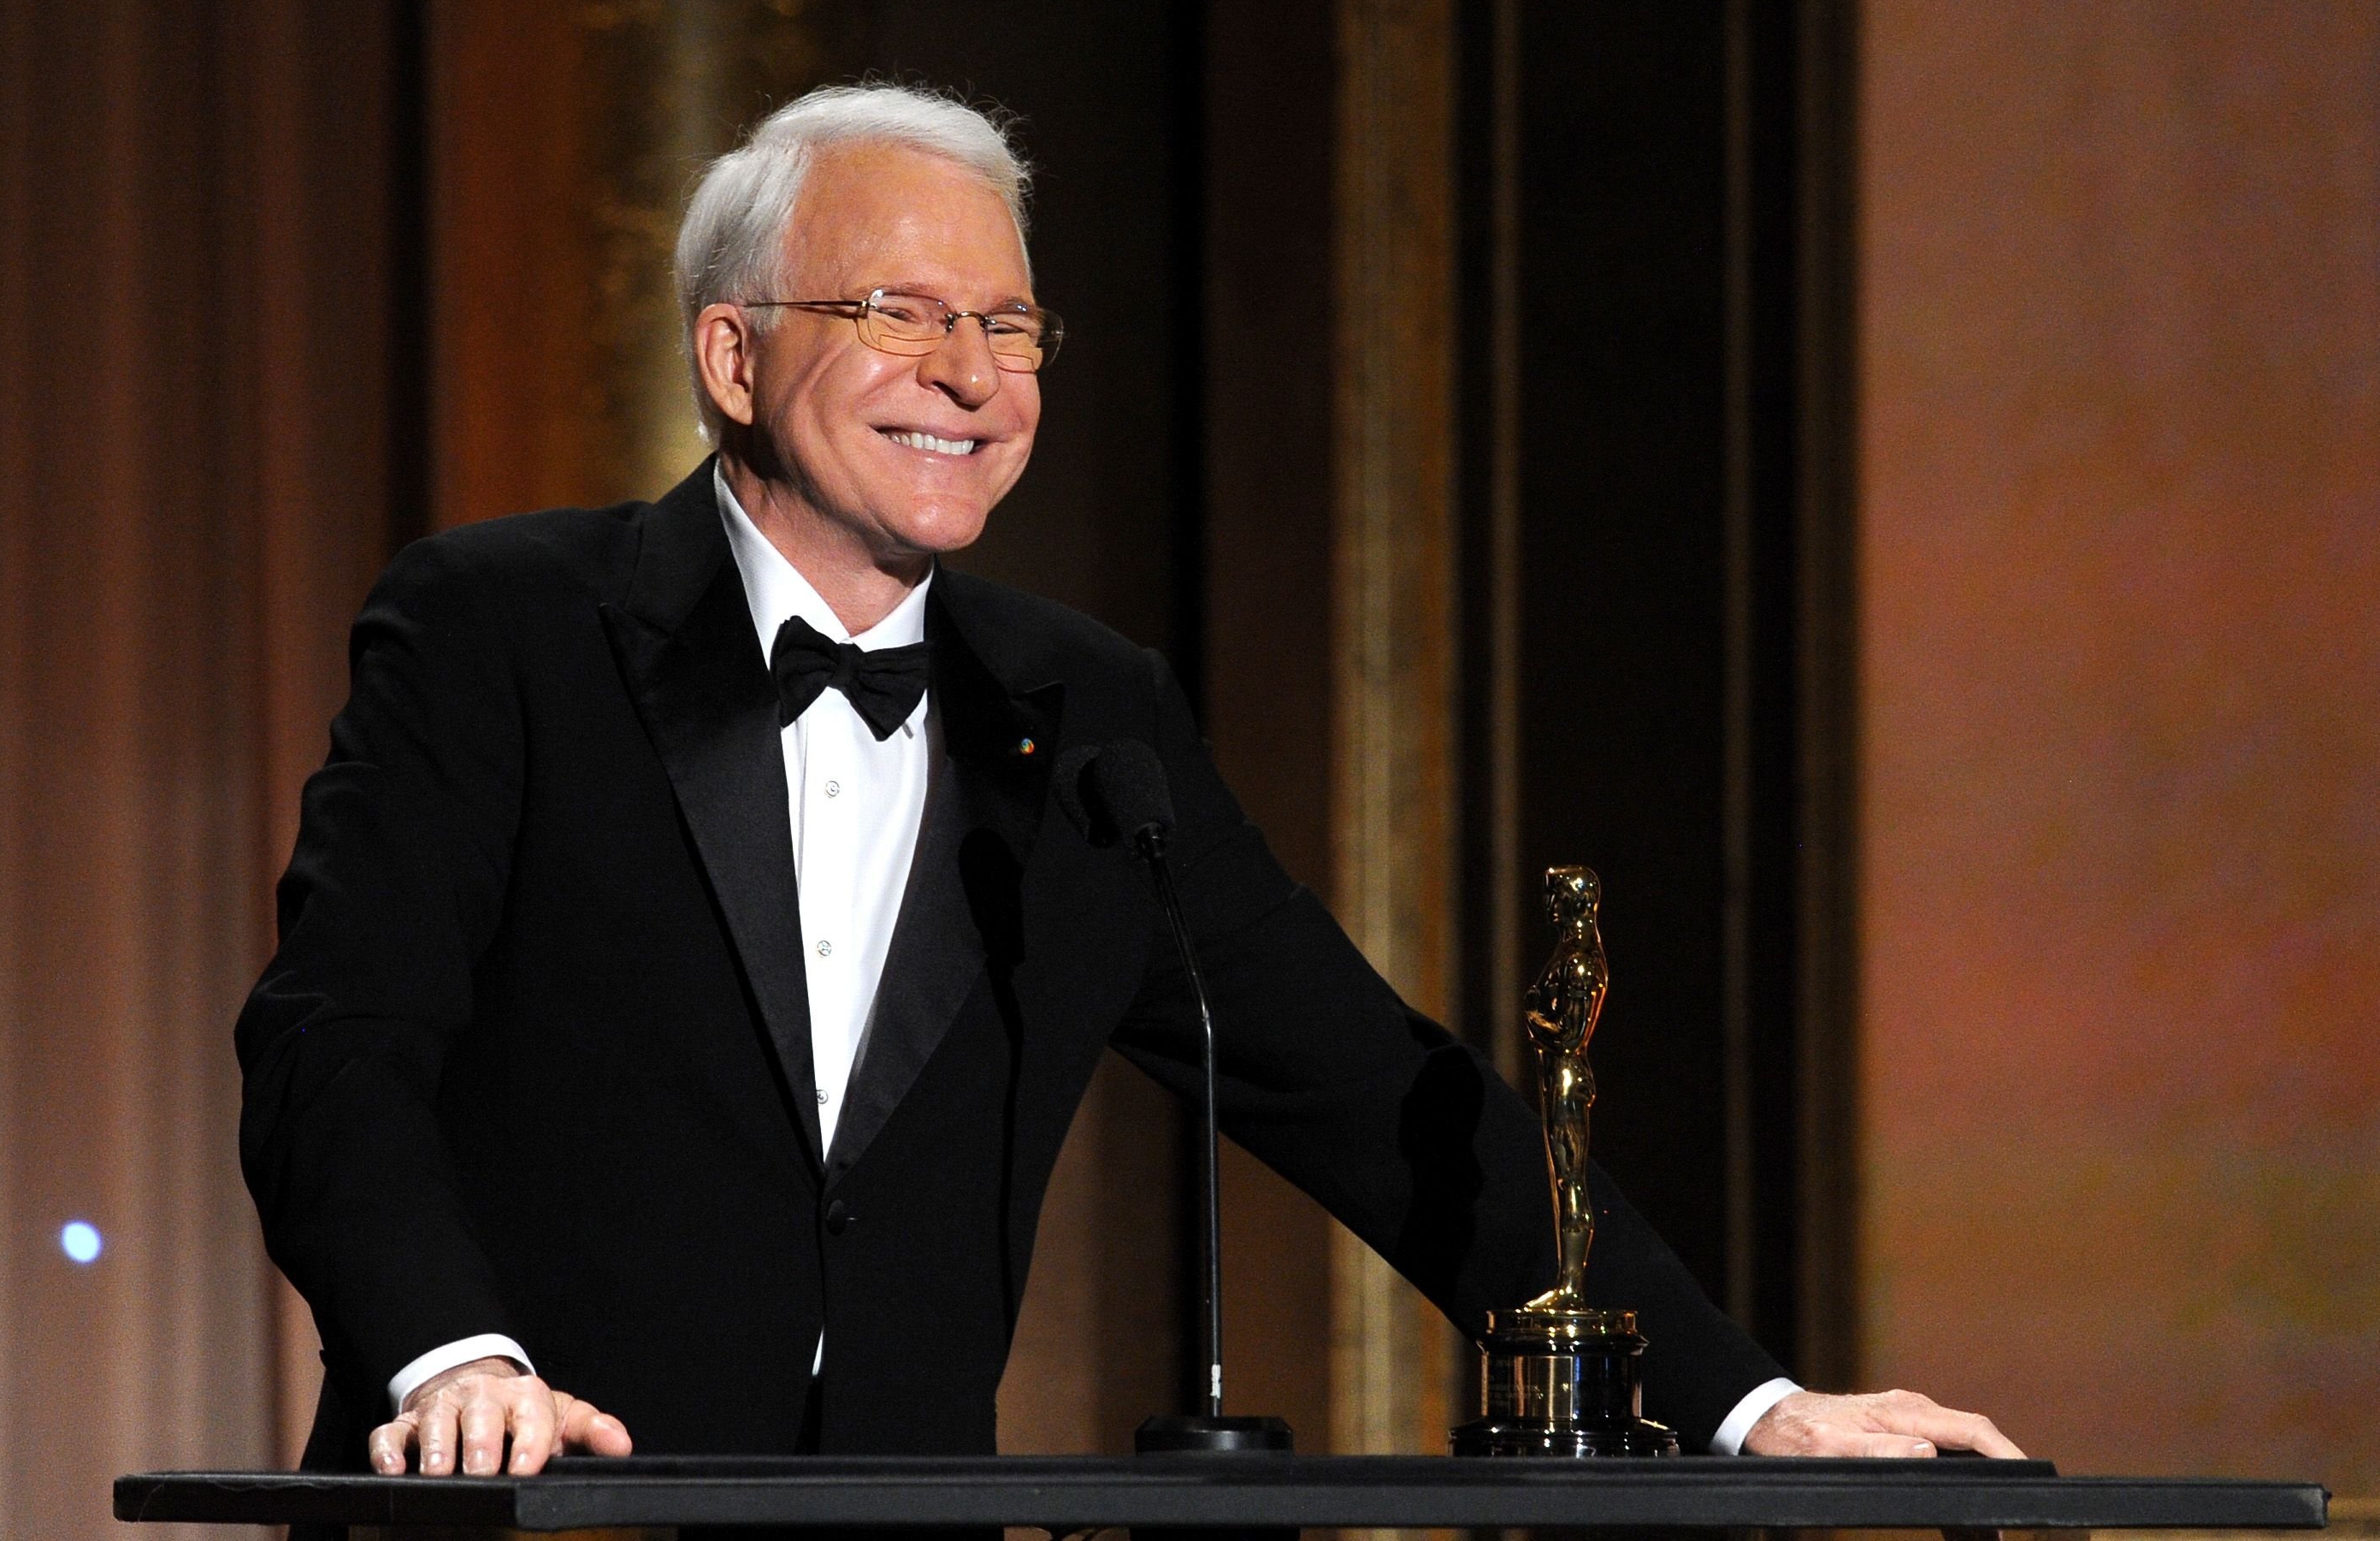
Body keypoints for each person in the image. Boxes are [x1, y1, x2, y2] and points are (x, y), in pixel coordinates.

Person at [236, 83, 2020, 1485]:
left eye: (1010, 329)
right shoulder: (503, 628)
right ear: (731, 354)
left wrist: (1740, 1399)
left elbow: (1371, 1090)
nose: (970, 377)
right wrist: (450, 1356)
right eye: (899, 312)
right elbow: (335, 1044)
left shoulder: (1084, 709)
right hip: (521, 1513)